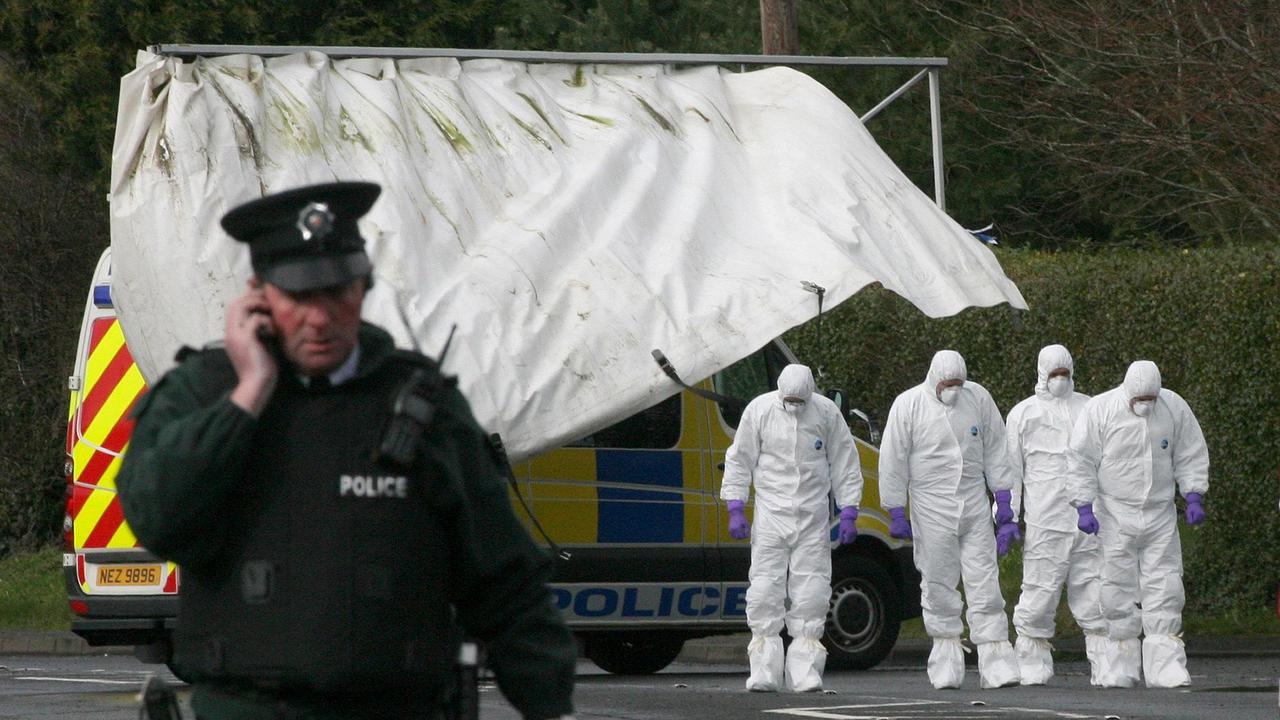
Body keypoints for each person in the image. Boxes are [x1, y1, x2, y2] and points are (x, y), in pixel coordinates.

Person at [116, 181, 577, 720]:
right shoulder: (203, 394)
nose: (321, 316)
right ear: (258, 295)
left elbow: (504, 581)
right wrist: (246, 398)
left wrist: (551, 706)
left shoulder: (424, 408)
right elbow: (158, 519)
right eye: (299, 297)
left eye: (338, 292)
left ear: (364, 287)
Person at [879, 349, 1021, 690]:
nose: (953, 390)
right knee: (939, 583)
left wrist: (1004, 501)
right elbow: (893, 458)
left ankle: (996, 660)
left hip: (972, 500)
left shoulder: (979, 399)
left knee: (985, 582)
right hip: (931, 505)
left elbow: (997, 448)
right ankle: (945, 658)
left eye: (959, 383)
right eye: (947, 383)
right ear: (933, 379)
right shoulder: (909, 405)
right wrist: (895, 509)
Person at [719, 363, 863, 693]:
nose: (795, 407)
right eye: (790, 401)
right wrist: (736, 508)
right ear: (780, 393)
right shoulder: (760, 410)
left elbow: (844, 461)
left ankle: (805, 671)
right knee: (765, 589)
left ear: (811, 395)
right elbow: (740, 459)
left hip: (812, 517)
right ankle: (764, 670)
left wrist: (850, 509)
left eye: (800, 402)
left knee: (812, 593)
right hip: (771, 515)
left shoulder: (826, 413)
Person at [1068, 360, 1209, 688]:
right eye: (1140, 399)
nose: (1146, 405)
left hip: (1160, 513)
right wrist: (1083, 505)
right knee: (1116, 587)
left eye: (1151, 399)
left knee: (1166, 583)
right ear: (1127, 392)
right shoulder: (1100, 410)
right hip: (1115, 514)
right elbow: (1080, 459)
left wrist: (1193, 494)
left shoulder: (1173, 408)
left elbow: (1189, 452)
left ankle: (1166, 665)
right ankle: (1121, 663)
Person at [1004, 345, 1107, 685]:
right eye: (1054, 374)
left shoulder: (1090, 407)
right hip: (1045, 519)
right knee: (1039, 591)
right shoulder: (1024, 414)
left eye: (1065, 374)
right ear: (1041, 375)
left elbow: (1104, 461)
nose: (1060, 380)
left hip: (1088, 520)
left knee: (1095, 591)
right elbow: (1012, 469)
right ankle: (1032, 661)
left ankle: (1107, 663)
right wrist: (1008, 514)